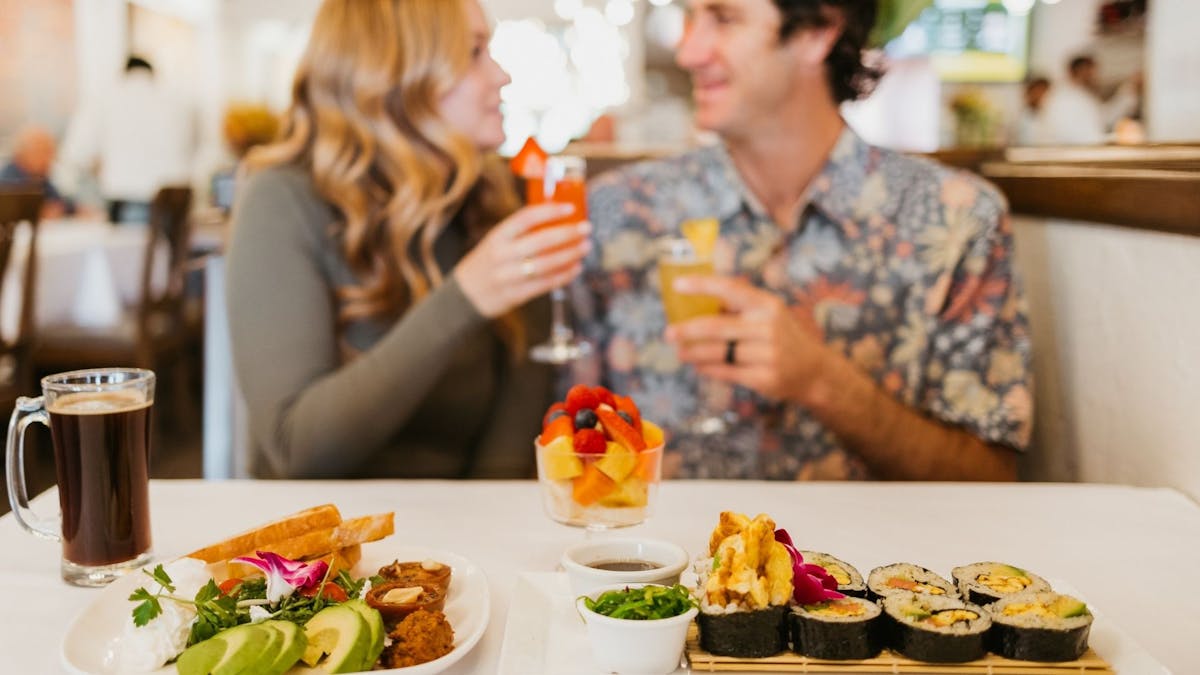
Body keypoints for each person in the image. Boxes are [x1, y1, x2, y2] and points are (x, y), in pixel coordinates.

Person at [571, 0, 1031, 481]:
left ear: (818, 32)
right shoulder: (615, 215)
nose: (689, 51)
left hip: (871, 555)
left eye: (724, 18)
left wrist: (822, 381)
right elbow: (568, 456)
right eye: (690, 18)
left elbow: (990, 480)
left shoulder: (957, 221)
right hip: (662, 554)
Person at [226, 0, 590, 479]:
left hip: (462, 542)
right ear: (393, 75)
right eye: (474, 52)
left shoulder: (494, 200)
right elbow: (298, 450)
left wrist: (476, 547)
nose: (501, 76)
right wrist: (464, 298)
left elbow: (511, 436)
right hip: (319, 540)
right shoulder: (283, 200)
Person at [58, 56, 196, 223]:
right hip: (177, 201)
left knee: (132, 249)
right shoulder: (178, 99)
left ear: (124, 73)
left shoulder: (104, 97)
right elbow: (192, 150)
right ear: (152, 73)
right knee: (171, 250)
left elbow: (77, 154)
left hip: (129, 201)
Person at [1040, 55, 1140, 146]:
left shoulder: (1083, 96)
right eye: (1089, 72)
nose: (1094, 77)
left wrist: (1129, 90)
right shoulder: (1064, 100)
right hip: (1066, 157)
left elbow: (1105, 117)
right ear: (1076, 72)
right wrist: (1119, 138)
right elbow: (1085, 138)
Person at [0, 125, 74, 218]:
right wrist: (38, 212)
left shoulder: (39, 178)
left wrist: (73, 209)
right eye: (44, 152)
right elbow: (10, 211)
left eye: (51, 153)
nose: (50, 159)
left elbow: (60, 203)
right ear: (24, 153)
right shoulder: (8, 180)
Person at [1013, 76, 1050, 146]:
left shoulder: (1047, 114)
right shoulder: (1025, 116)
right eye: (1038, 91)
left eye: (1044, 92)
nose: (1042, 96)